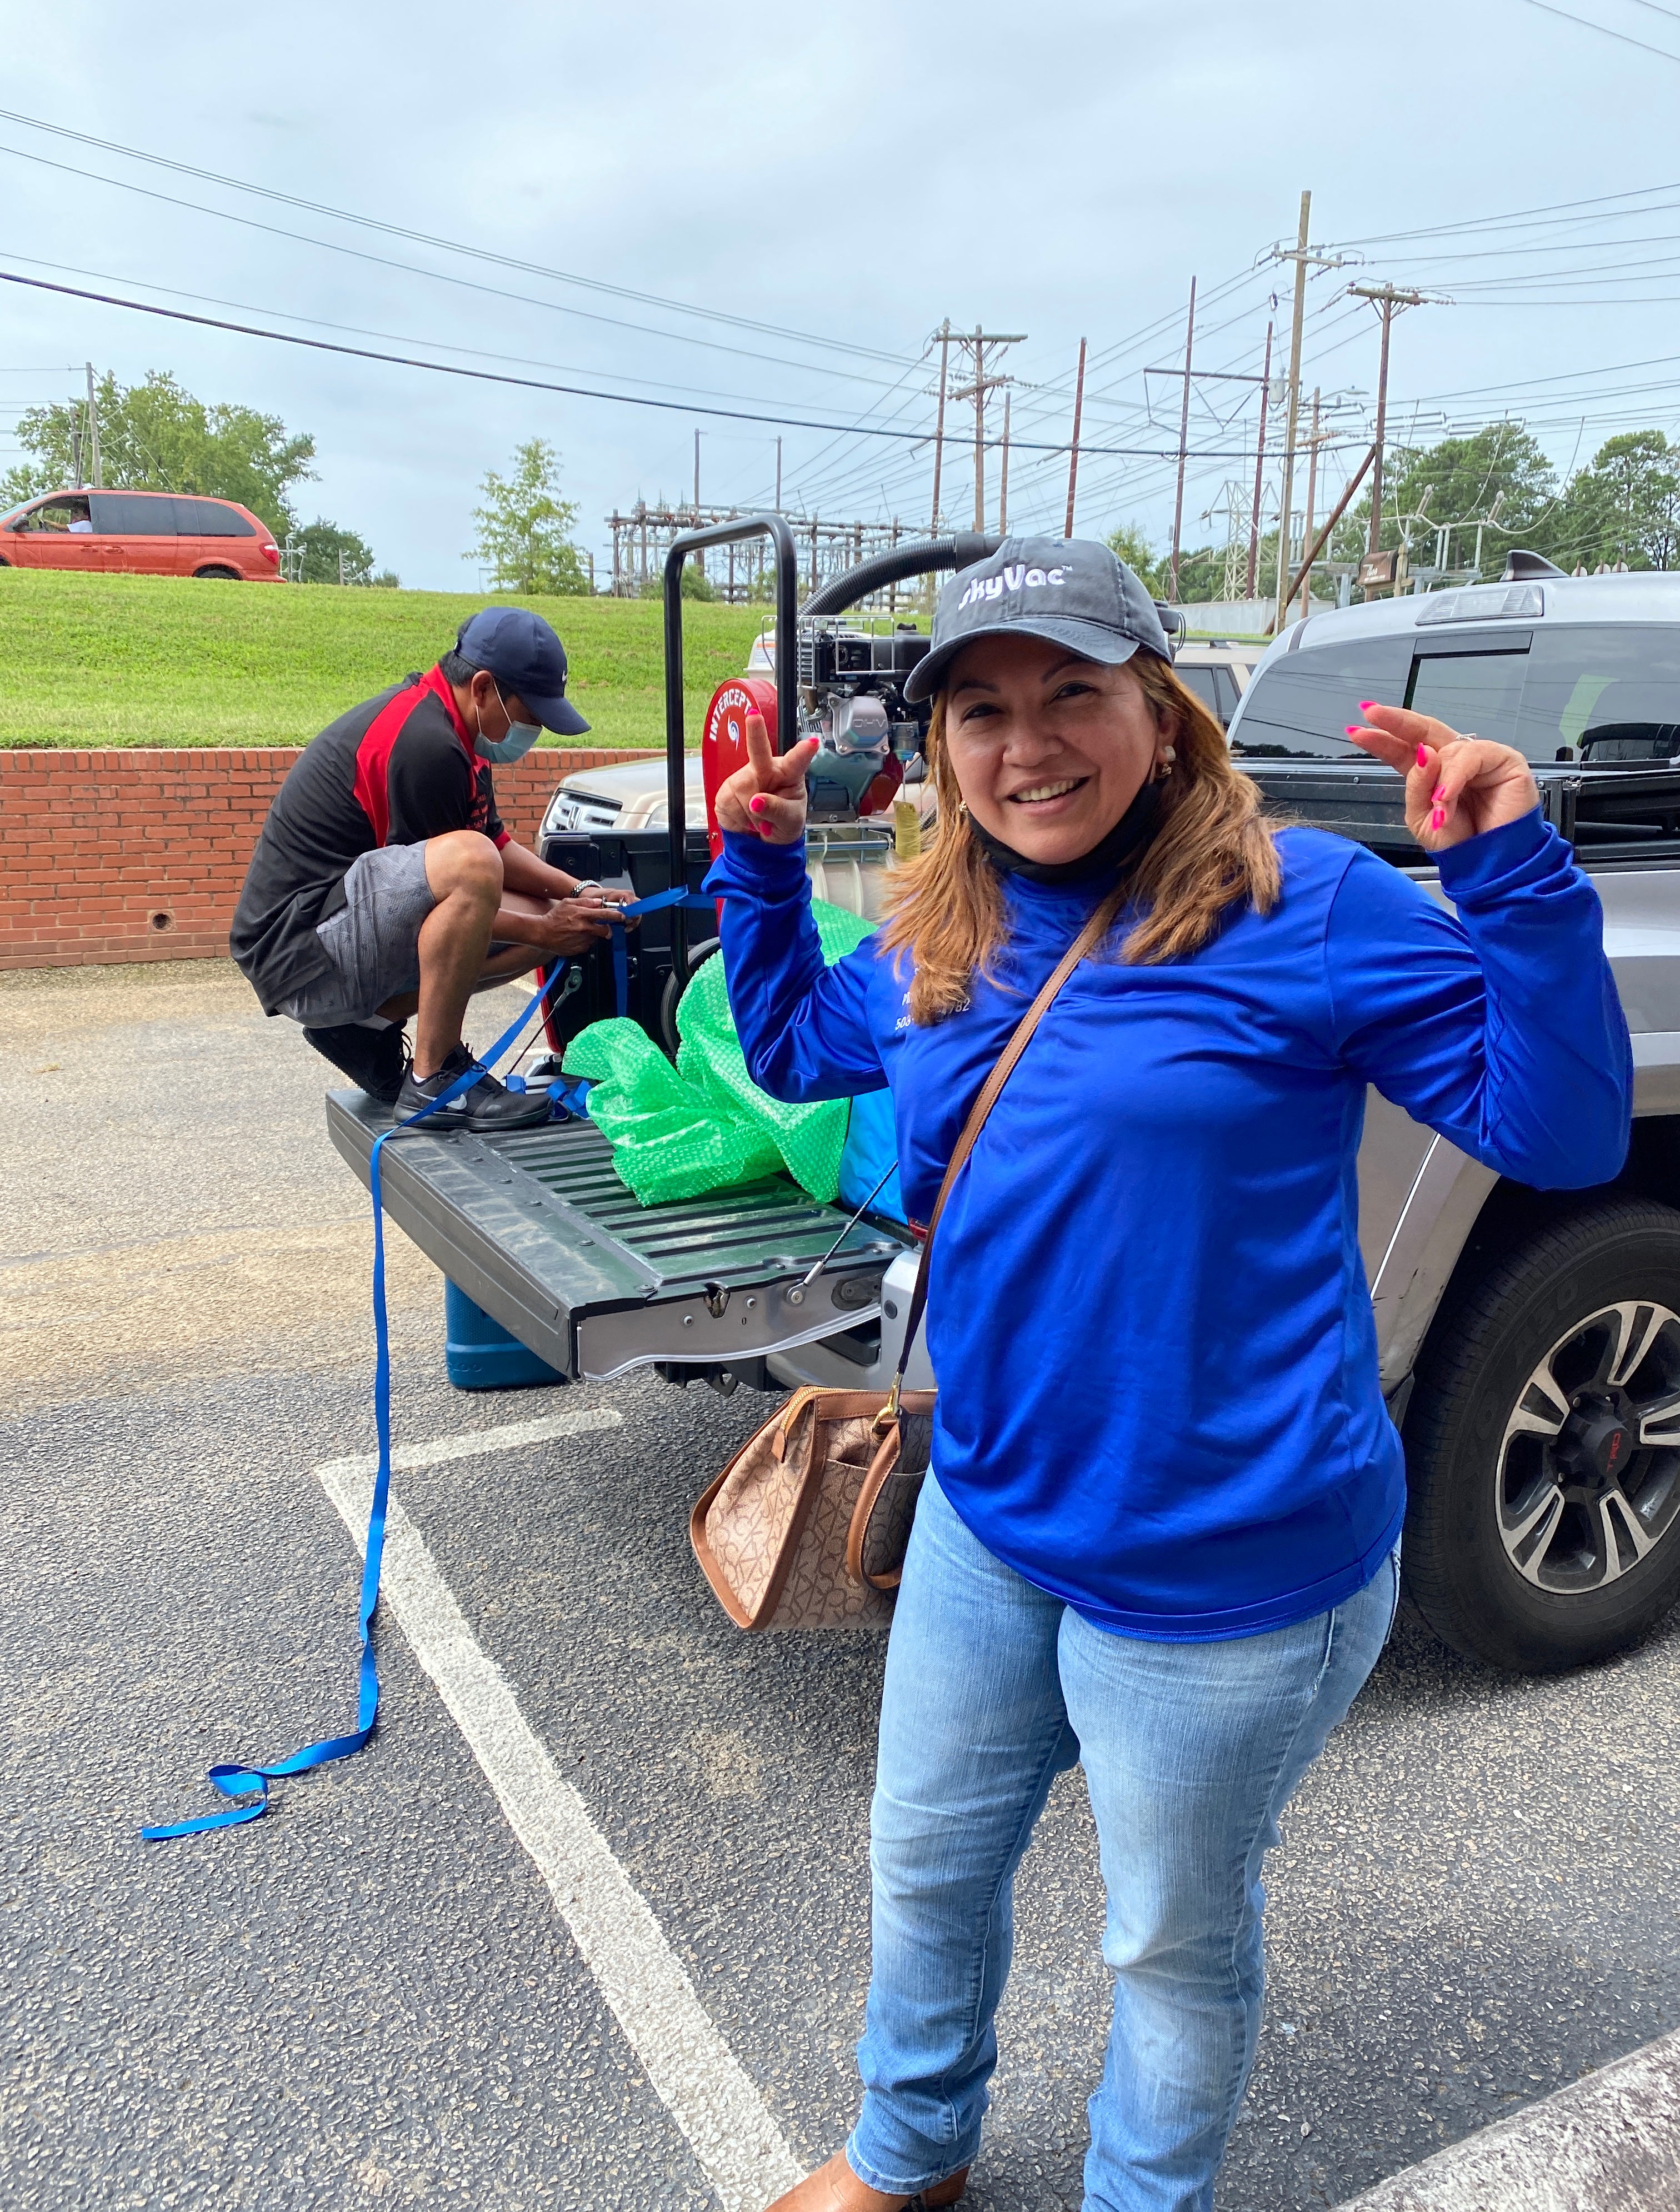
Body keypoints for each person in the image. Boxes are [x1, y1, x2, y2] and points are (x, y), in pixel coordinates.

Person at [704, 535, 1633, 2212]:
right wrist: (760, 865)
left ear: (1166, 711)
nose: (1027, 743)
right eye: (978, 710)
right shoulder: (939, 925)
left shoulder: (1308, 906)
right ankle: (908, 2152)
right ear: (938, 753)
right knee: (926, 1867)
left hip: (1230, 1564)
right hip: (994, 1518)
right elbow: (787, 1047)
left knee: (1168, 1949)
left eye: (1073, 692)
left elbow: (1559, 1132)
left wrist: (1515, 880)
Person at [232, 606, 626, 1128]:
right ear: (483, 688)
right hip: (299, 949)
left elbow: (495, 844)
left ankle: (364, 1028)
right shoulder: (426, 744)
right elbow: (458, 886)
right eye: (530, 717)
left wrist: (578, 892)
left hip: (334, 933)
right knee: (494, 884)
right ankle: (435, 1078)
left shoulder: (458, 731)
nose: (535, 732)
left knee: (538, 906)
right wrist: (546, 931)